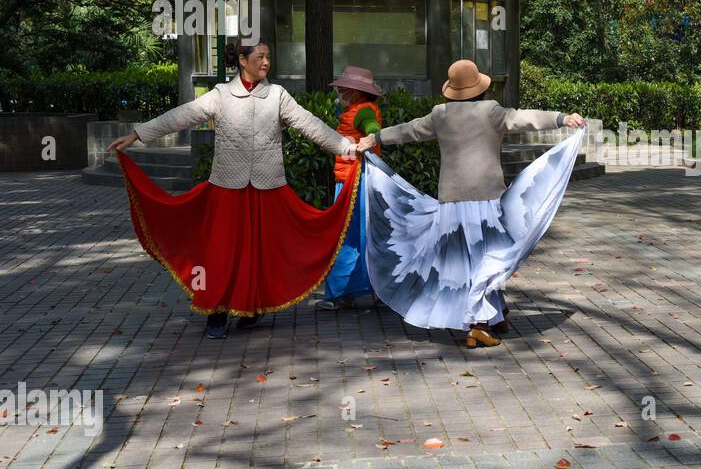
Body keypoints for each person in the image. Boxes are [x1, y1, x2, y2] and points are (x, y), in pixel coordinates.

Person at [107, 40, 360, 339]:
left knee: (262, 251)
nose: (266, 62)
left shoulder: (277, 95)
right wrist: (138, 133)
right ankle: (217, 311)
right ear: (243, 60)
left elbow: (310, 124)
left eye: (268, 57)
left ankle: (252, 308)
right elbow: (182, 115)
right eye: (260, 57)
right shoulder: (221, 95)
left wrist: (346, 147)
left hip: (268, 188)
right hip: (227, 187)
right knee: (221, 250)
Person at [356, 59, 586, 347]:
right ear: (479, 87)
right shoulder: (490, 111)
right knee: (485, 259)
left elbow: (409, 130)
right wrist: (562, 118)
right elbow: (523, 118)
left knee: (468, 261)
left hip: (450, 203)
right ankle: (477, 325)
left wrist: (375, 137)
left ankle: (498, 313)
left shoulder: (440, 114)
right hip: (486, 200)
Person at [314, 66, 385, 311]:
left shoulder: (363, 111)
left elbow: (372, 130)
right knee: (358, 235)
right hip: (354, 179)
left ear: (357, 92)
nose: (341, 89)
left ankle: (344, 293)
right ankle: (365, 290)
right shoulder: (356, 109)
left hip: (355, 182)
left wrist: (369, 139)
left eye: (345, 87)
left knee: (348, 235)